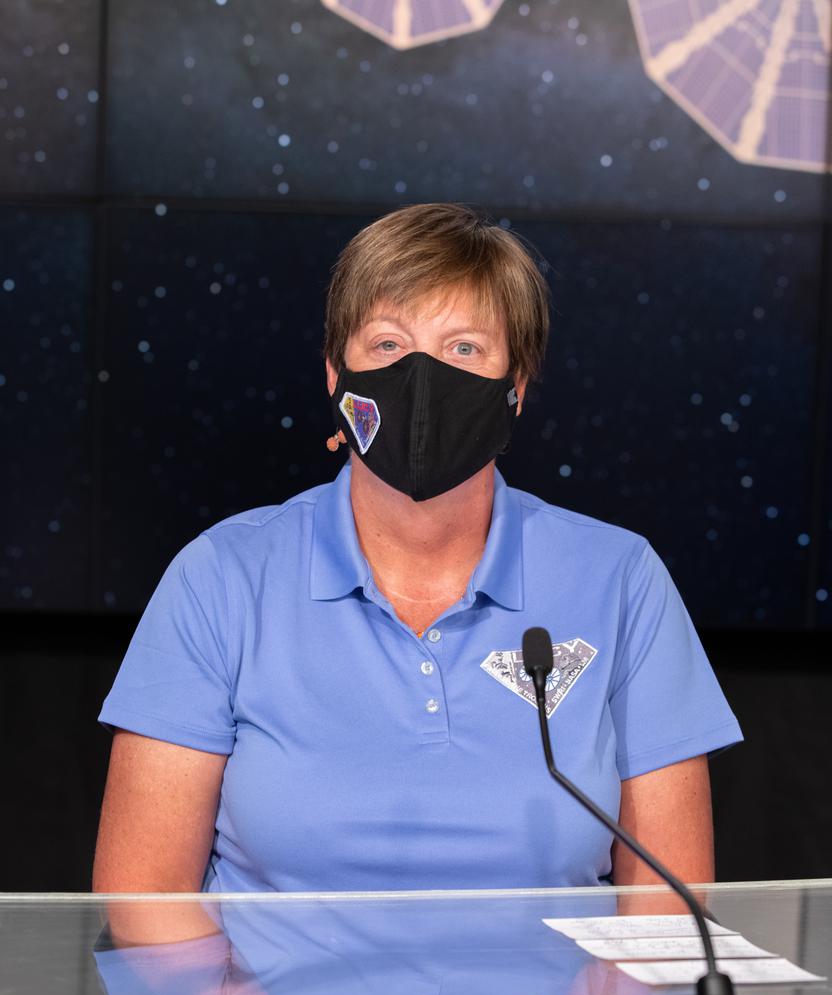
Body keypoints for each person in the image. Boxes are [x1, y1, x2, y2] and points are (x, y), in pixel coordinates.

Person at [93, 202, 741, 912]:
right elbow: (143, 904)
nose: (423, 379)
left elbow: (669, 919)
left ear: (516, 387)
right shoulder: (219, 578)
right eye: (388, 345)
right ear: (336, 376)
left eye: (464, 348)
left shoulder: (621, 580)